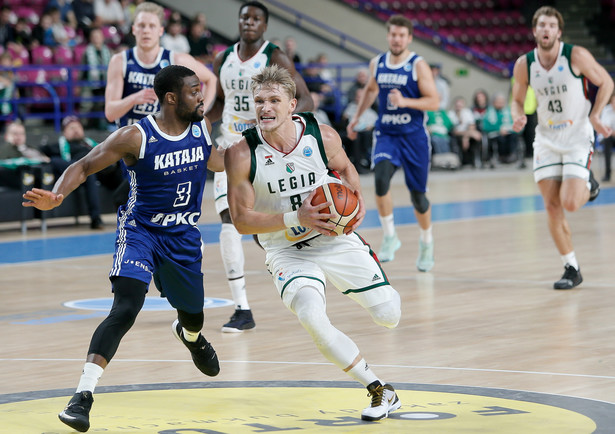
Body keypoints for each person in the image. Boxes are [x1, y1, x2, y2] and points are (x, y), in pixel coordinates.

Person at [23, 65, 224, 432]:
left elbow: (216, 159)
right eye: (195, 91)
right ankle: (81, 397)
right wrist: (57, 195)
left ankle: (190, 336)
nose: (201, 97)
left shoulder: (202, 128)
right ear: (171, 98)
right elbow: (84, 165)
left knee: (193, 315)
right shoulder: (136, 136)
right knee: (127, 306)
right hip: (140, 232)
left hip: (183, 237)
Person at [226, 64, 402, 422]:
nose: (265, 108)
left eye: (274, 100)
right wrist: (297, 218)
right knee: (312, 316)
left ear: (293, 104)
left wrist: (358, 199)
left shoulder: (322, 137)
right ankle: (378, 388)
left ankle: (367, 282)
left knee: (389, 316)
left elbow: (348, 168)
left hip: (334, 239)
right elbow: (242, 220)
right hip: (285, 249)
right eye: (258, 101)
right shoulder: (241, 154)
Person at [206, 0, 313, 333]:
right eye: (244, 17)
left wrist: (282, 125)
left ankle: (300, 272)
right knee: (229, 221)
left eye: (255, 19)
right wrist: (202, 124)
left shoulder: (275, 57)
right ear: (238, 22)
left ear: (264, 26)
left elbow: (306, 99)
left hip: (264, 146)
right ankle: (243, 309)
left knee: (260, 228)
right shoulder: (222, 58)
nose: (249, 22)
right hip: (229, 147)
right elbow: (219, 101)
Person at [511, 6, 613, 290]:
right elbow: (517, 99)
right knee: (552, 206)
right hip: (546, 138)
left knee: (570, 202)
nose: (546, 30)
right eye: (541, 25)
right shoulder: (524, 64)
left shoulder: (575, 55)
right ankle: (572, 267)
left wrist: (596, 114)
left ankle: (588, 185)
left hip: (577, 135)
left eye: (551, 26)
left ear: (558, 31)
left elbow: (606, 82)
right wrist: (516, 114)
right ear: (534, 30)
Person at [346, 14, 439, 269]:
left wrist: (406, 102)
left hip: (414, 137)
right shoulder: (378, 62)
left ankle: (427, 242)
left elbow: (434, 101)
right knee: (380, 180)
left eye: (401, 35)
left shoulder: (418, 65)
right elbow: (371, 90)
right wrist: (355, 118)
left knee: (418, 197)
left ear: (409, 38)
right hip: (387, 134)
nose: (397, 39)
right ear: (388, 36)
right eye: (393, 34)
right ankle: (389, 237)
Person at [104, 1, 217, 128]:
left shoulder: (176, 59)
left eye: (152, 26)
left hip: (165, 141)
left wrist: (199, 113)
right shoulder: (120, 61)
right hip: (130, 140)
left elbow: (211, 79)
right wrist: (134, 99)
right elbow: (110, 113)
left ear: (161, 30)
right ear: (134, 29)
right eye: (141, 25)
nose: (146, 31)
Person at [41, 116, 107, 229]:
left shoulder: (90, 143)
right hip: (81, 171)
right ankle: (95, 219)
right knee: (88, 174)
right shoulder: (58, 146)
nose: (76, 130)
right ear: (64, 132)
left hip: (101, 168)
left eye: (78, 127)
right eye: (71, 128)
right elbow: (41, 154)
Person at [0, 121, 53, 191]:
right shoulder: (5, 149)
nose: (18, 136)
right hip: (17, 180)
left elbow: (46, 160)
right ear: (7, 136)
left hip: (39, 180)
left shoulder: (32, 148)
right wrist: (10, 144)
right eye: (15, 133)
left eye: (21, 134)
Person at [482, 92, 518, 165]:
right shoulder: (489, 112)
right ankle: (501, 156)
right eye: (499, 102)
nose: (501, 104)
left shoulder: (508, 111)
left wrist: (509, 129)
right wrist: (499, 129)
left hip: (508, 132)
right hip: (495, 133)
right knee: (500, 138)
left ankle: (511, 155)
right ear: (494, 102)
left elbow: (514, 123)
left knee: (513, 136)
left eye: (502, 102)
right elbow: (485, 126)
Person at [599, 92, 615, 182]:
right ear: (611, 101)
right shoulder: (606, 110)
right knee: (607, 140)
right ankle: (607, 174)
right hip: (607, 138)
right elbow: (605, 128)